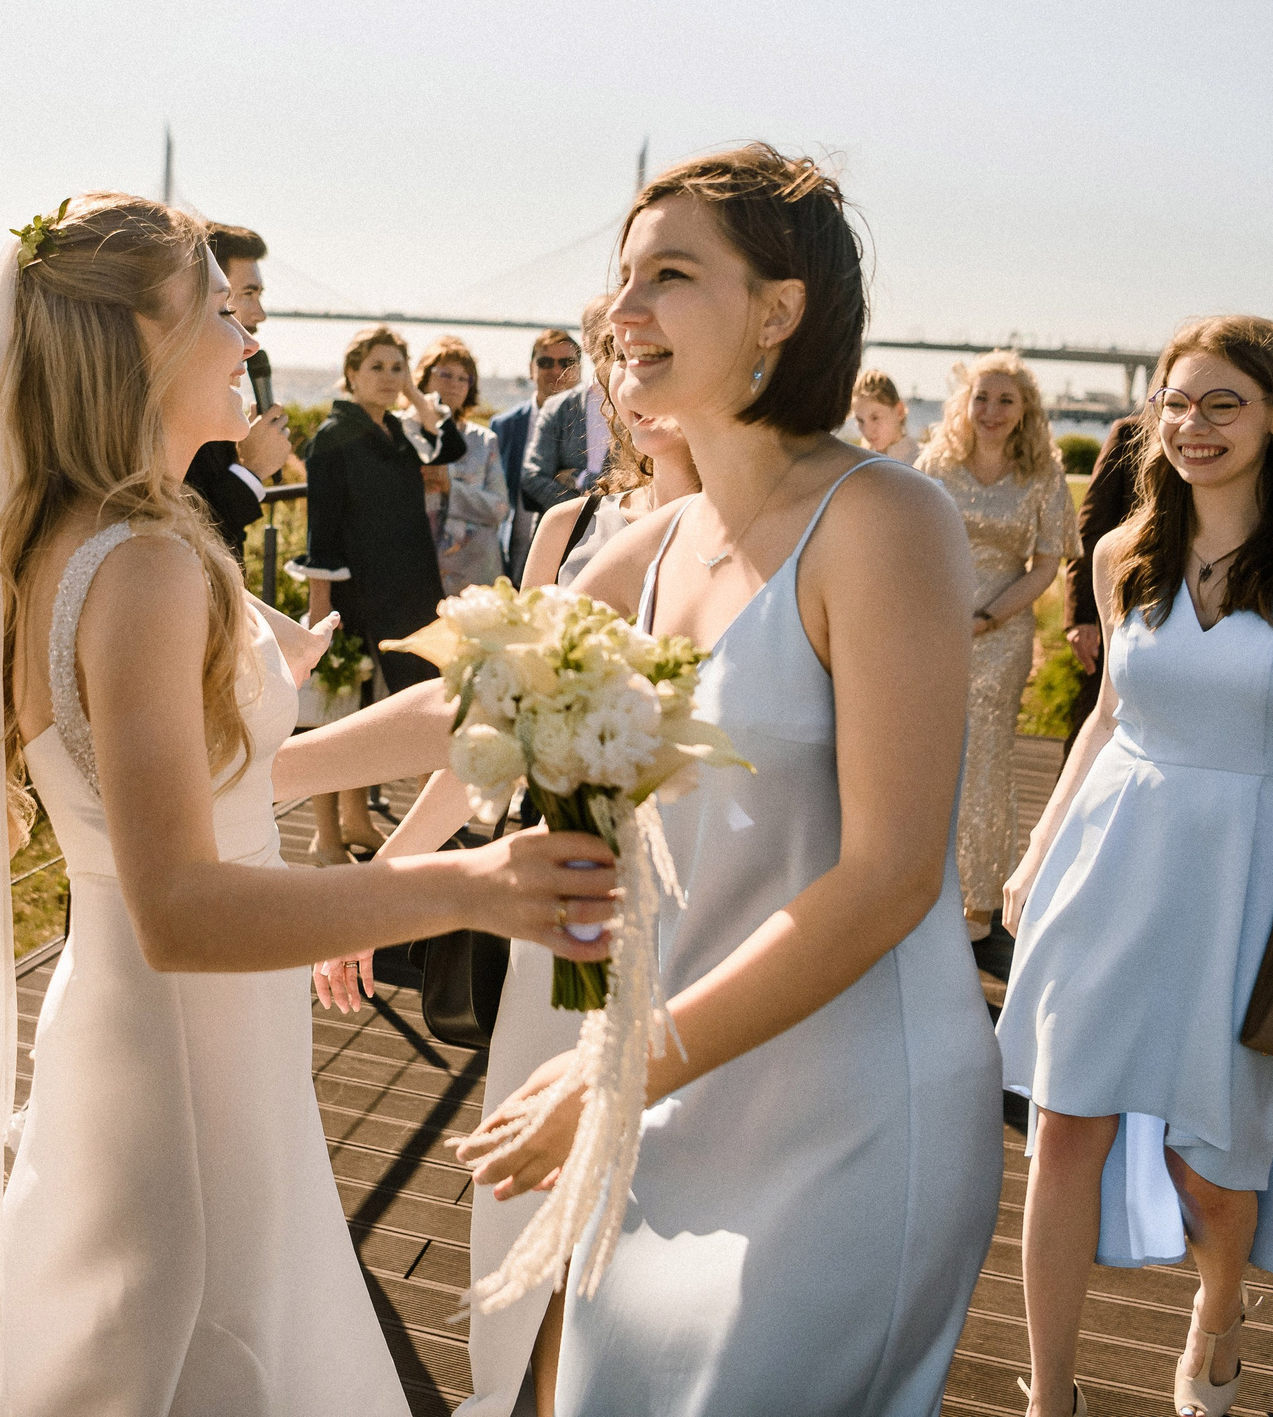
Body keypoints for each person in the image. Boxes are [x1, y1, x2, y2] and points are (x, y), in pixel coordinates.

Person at [0, 194, 617, 1416]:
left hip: (173, 1027)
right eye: (220, 313)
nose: (247, 340)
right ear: (141, 342)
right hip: (182, 1040)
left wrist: (480, 701)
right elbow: (179, 903)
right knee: (179, 1350)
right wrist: (471, 885)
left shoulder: (80, 541)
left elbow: (221, 785)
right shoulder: (149, 562)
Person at [460, 144, 1004, 1417]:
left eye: (670, 275)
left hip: (843, 1122)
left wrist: (617, 1069)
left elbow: (887, 879)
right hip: (671, 1098)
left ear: (778, 309)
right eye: (621, 276)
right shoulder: (659, 542)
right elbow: (460, 702)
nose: (621, 310)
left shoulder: (882, 520)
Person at [998, 316, 1273, 1417]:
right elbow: (1106, 720)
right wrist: (1037, 848)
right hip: (1108, 859)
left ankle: (1217, 1310)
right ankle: (1048, 1395)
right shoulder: (1122, 549)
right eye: (1176, 401)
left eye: (1221, 401)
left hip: (1244, 888)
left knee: (1215, 1177)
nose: (1191, 424)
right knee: (1063, 1128)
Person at [313, 340, 701, 1417]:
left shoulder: (761, 538)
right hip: (557, 906)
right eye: (625, 357)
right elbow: (490, 728)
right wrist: (379, 884)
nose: (641, 377)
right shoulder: (573, 530)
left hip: (700, 915)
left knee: (658, 1212)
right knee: (540, 1202)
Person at [920, 350, 1080, 941]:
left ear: (1024, 410)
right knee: (929, 753)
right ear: (964, 404)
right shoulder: (935, 463)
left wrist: (987, 617)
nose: (990, 410)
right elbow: (913, 544)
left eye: (1004, 400)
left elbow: (1046, 567)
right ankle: (922, 887)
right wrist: (940, 614)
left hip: (1002, 632)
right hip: (935, 625)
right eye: (980, 398)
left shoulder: (1043, 475)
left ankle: (979, 904)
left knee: (985, 761)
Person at [296, 323, 467, 856]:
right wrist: (321, 611)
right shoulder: (331, 436)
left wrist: (414, 395)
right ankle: (327, 837)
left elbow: (450, 445)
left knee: (391, 701)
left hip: (411, 586)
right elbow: (320, 530)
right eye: (377, 367)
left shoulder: (397, 429)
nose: (389, 378)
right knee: (342, 709)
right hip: (360, 593)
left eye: (398, 367)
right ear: (351, 374)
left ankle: (358, 821)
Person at [184, 221, 292, 559]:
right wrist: (250, 472)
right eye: (246, 295)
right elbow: (190, 539)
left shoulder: (216, 397)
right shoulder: (174, 402)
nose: (259, 315)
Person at [1062, 410, 1148, 753]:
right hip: (1120, 616)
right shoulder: (1130, 433)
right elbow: (1092, 528)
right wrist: (1081, 617)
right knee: (1094, 732)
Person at [417, 334, 511, 592]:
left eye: (464, 378)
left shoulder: (484, 440)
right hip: (421, 571)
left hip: (477, 574)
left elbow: (500, 508)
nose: (455, 384)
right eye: (445, 375)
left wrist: (450, 487)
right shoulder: (405, 435)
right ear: (424, 378)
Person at [495, 327, 583, 580]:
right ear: (531, 368)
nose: (556, 371)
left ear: (579, 368)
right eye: (546, 362)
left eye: (566, 362)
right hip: (511, 548)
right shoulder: (504, 425)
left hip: (566, 549)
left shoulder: (595, 422)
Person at [521, 302, 612, 529]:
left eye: (611, 328)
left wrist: (580, 479)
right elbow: (533, 477)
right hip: (564, 537)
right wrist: (585, 511)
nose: (606, 338)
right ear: (585, 341)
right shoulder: (558, 407)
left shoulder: (646, 404)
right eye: (596, 330)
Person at [850, 366, 919, 462]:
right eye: (860, 421)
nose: (867, 430)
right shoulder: (858, 465)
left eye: (875, 418)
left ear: (899, 411)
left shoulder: (925, 464)